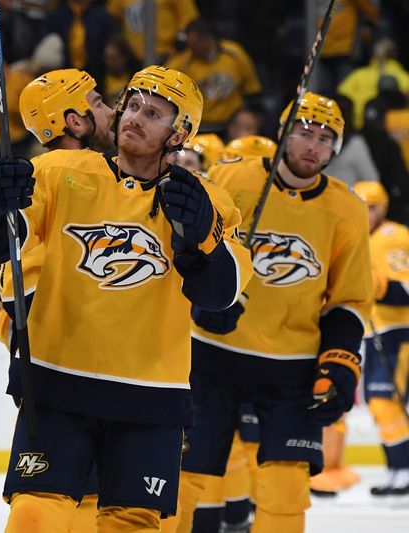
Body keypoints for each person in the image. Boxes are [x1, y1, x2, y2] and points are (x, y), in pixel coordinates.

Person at [0, 65, 253, 532]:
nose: (135, 117)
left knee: (133, 525)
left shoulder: (209, 202)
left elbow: (220, 295)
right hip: (58, 384)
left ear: (179, 134)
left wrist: (204, 238)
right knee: (34, 515)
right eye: (133, 105)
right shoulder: (58, 172)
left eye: (154, 113)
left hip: (151, 396)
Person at [162, 92, 373, 533]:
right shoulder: (229, 177)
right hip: (212, 354)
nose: (313, 144)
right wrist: (204, 298)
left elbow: (348, 298)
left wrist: (340, 360)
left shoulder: (347, 209)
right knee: (186, 476)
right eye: (303, 132)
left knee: (286, 488)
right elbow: (185, 251)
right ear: (282, 134)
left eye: (324, 138)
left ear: (335, 149)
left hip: (291, 364)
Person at [0, 67, 116, 533]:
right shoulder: (63, 174)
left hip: (56, 369)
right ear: (76, 120)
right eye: (99, 101)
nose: (111, 111)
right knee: (81, 503)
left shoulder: (36, 176)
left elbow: (17, 284)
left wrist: (13, 327)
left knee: (56, 498)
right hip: (91, 370)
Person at [354, 180, 409, 496]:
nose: (366, 213)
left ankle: (403, 468)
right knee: (380, 405)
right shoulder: (361, 237)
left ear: (384, 208)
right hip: (374, 330)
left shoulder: (393, 237)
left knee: (386, 403)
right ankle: (397, 470)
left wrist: (375, 285)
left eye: (371, 207)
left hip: (397, 332)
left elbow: (404, 289)